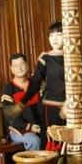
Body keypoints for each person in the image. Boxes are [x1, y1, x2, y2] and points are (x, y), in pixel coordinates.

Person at [16, 21, 65, 149]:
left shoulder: (75, 57)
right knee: (51, 143)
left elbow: (81, 85)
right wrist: (23, 101)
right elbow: (35, 83)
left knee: (70, 144)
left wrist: (69, 104)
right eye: (51, 35)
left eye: (59, 34)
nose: (54, 38)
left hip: (71, 107)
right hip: (51, 106)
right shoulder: (45, 57)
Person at [1, 53, 41, 151]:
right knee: (34, 141)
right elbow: (10, 116)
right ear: (11, 69)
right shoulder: (8, 89)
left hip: (39, 127)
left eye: (22, 64)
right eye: (15, 65)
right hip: (19, 130)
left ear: (27, 65)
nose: (19, 68)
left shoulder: (35, 85)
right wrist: (29, 127)